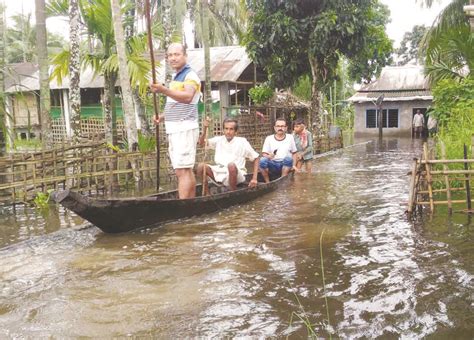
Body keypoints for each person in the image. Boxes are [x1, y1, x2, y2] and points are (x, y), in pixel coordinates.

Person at [150, 43, 201, 199]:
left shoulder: (190, 75)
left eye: (177, 54)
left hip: (184, 127)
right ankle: (190, 204)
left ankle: (184, 206)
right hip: (176, 128)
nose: (173, 58)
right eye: (170, 55)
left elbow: (187, 97)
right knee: (185, 169)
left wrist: (163, 90)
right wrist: (163, 117)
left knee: (182, 170)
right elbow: (176, 103)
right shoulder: (176, 76)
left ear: (185, 55)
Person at [197, 118, 260, 194]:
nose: (228, 132)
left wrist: (254, 179)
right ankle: (207, 194)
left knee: (231, 165)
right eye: (226, 129)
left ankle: (233, 193)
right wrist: (205, 128)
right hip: (220, 172)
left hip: (237, 174)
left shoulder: (242, 141)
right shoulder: (219, 140)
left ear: (236, 131)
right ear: (223, 130)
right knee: (201, 166)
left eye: (231, 129)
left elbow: (256, 158)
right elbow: (201, 144)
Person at [259, 118, 298, 183]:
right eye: (278, 126)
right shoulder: (269, 138)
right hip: (273, 164)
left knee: (288, 158)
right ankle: (267, 182)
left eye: (282, 126)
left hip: (285, 164)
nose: (280, 128)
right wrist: (269, 156)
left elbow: (294, 153)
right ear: (274, 128)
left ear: (286, 128)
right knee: (262, 160)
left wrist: (294, 165)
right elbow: (264, 154)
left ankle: (282, 180)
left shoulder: (290, 137)